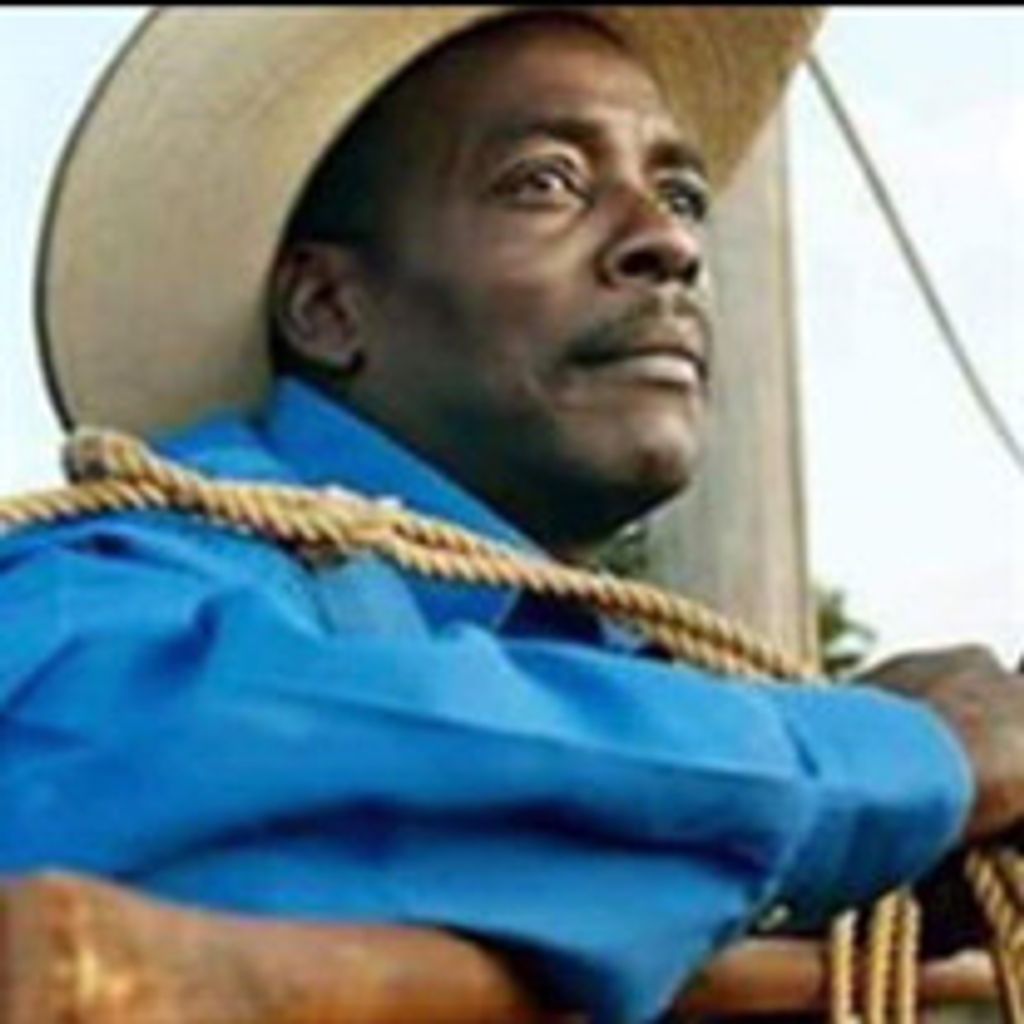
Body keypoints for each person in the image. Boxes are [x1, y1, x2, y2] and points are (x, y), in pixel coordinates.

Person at [2, 8, 1022, 1023]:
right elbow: (119, 764)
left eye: (681, 197)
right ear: (327, 309)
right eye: (546, 182)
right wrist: (910, 756)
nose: (669, 242)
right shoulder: (114, 575)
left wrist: (878, 879)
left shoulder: (632, 685)